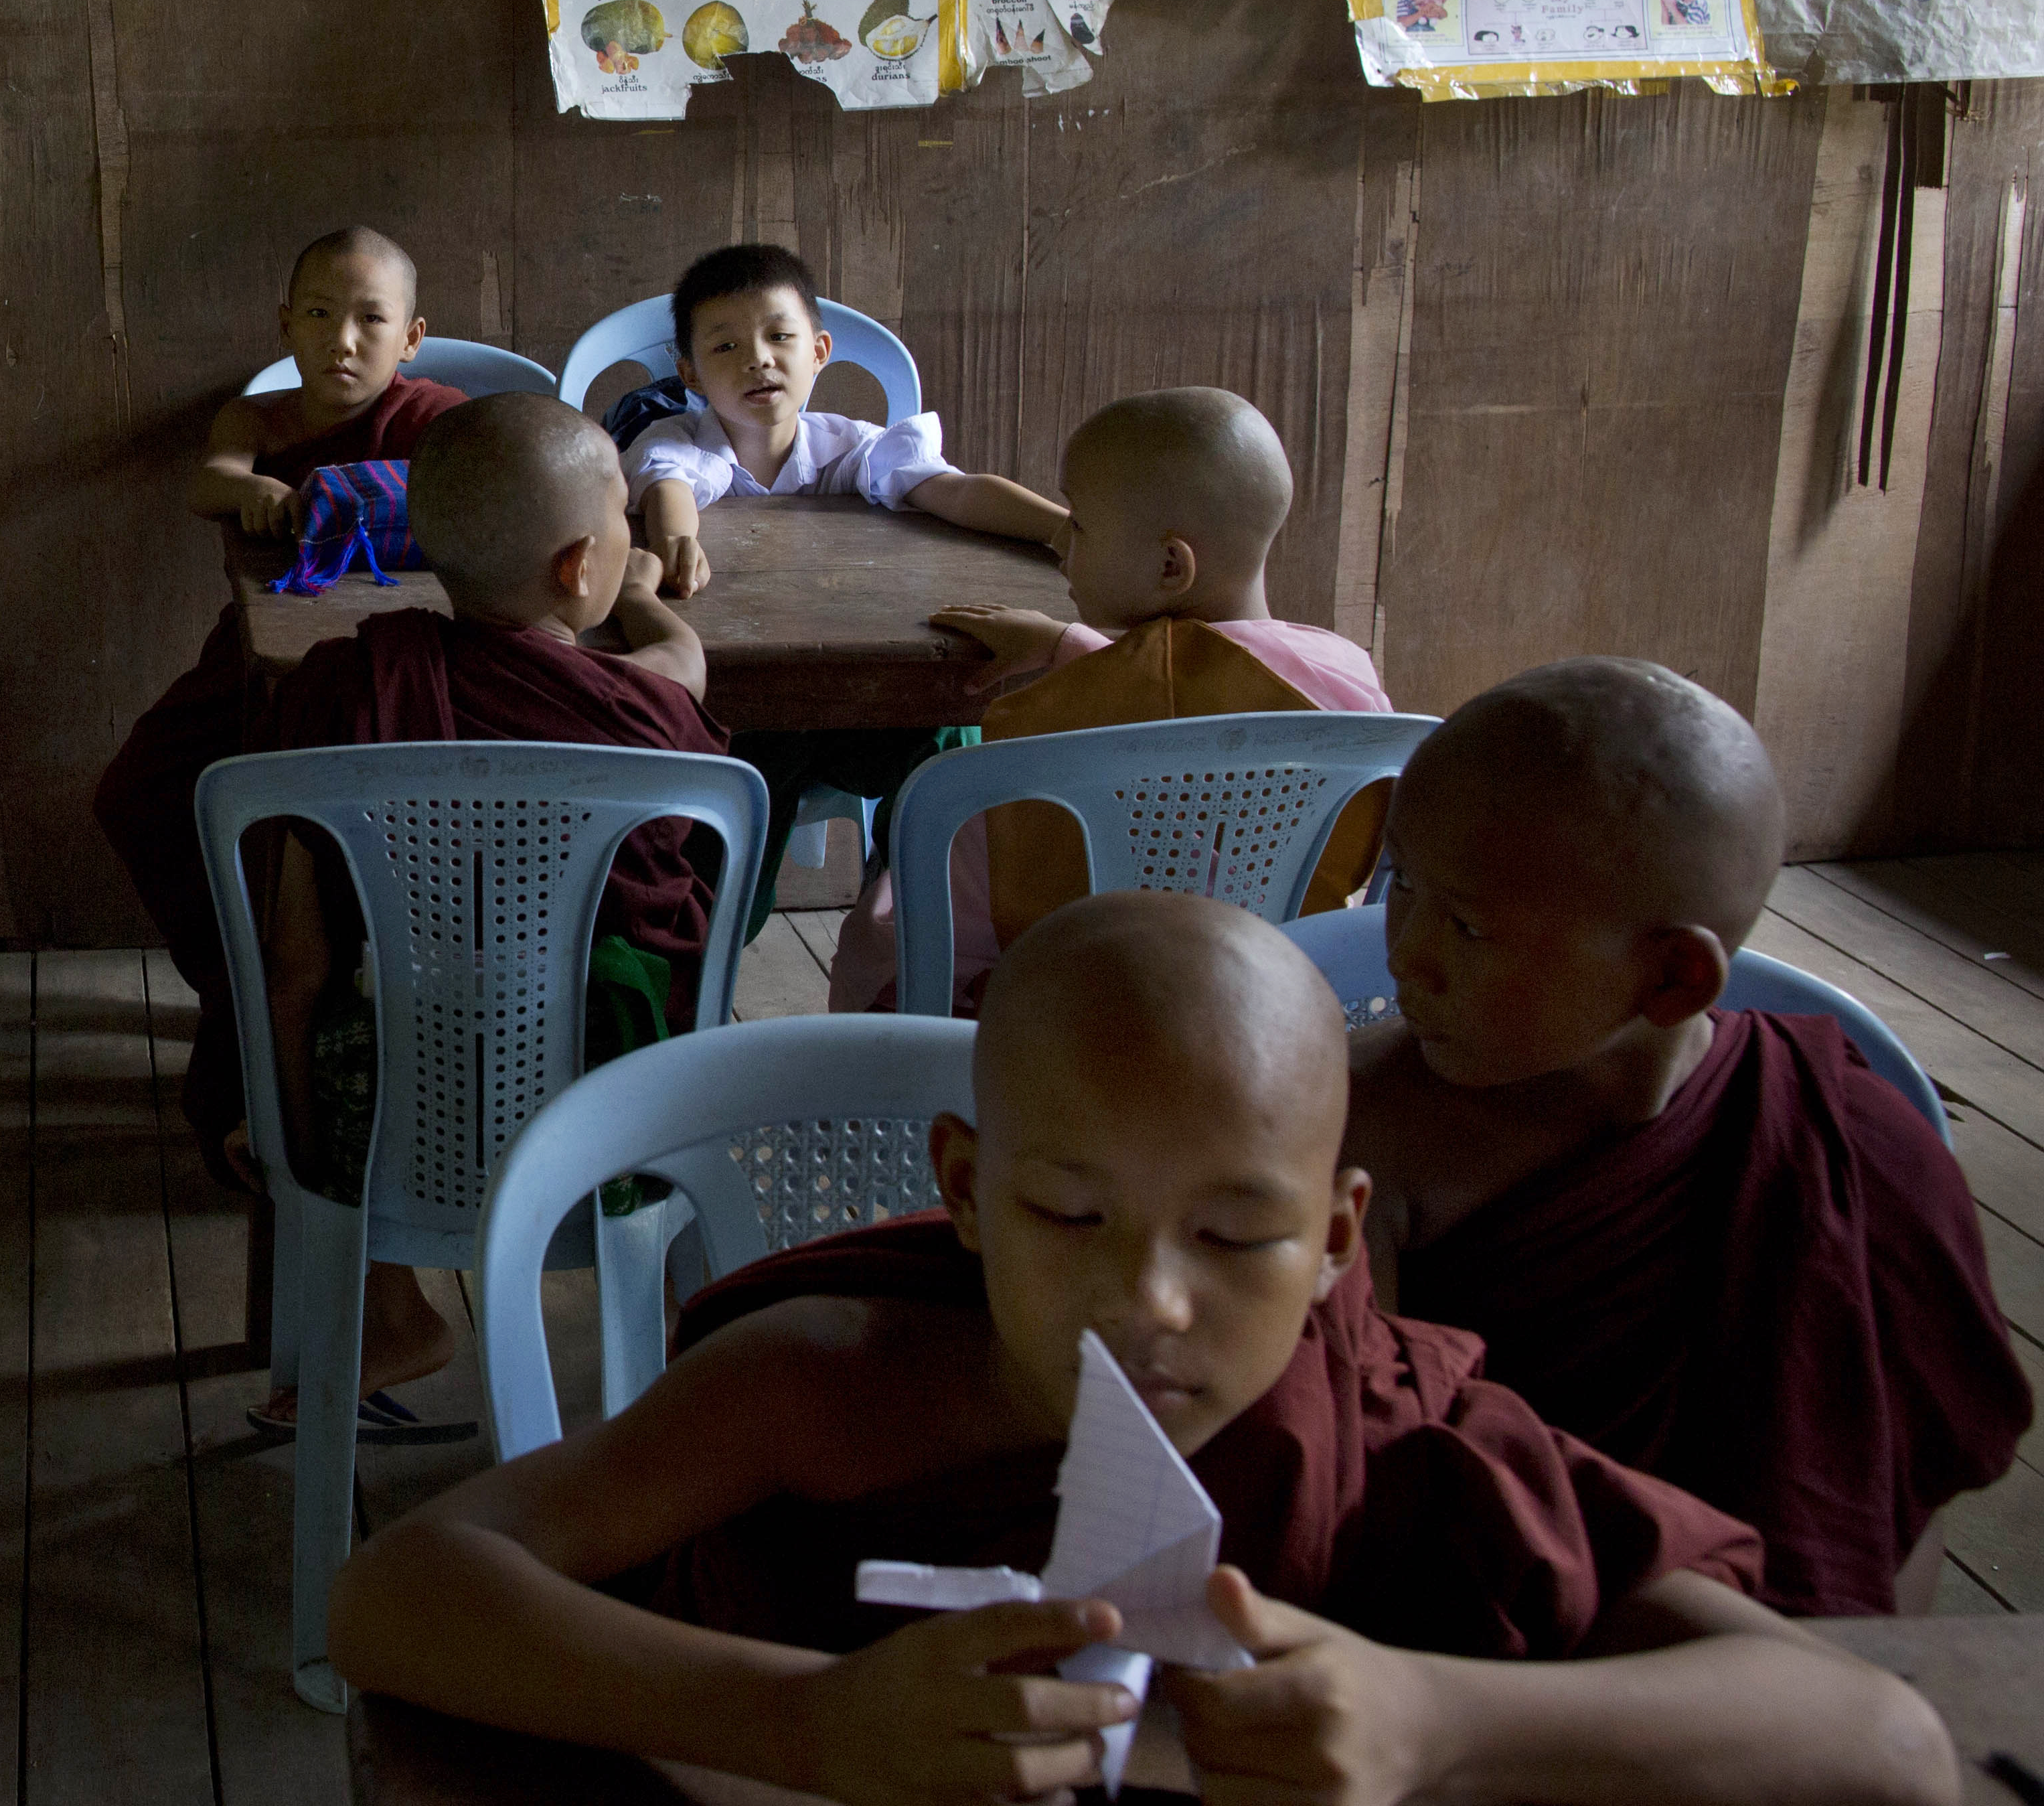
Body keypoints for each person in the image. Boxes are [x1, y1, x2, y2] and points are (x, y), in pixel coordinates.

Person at [327, 892, 1958, 1806]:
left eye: (1238, 1235)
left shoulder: (1406, 1433)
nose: (1151, 1300)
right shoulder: (828, 1388)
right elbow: (397, 1592)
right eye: (1068, 1213)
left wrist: (1437, 1721)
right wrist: (804, 1724)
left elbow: (1879, 1741)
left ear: (1336, 1238)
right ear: (965, 1190)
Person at [1348, 660, 2030, 1616]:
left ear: (1670, 980)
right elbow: (1356, 1472)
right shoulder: (1366, 1126)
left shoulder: (1845, 1137)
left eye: (1463, 926)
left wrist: (1845, 1679)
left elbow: (1885, 1506)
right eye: (1402, 884)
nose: (1402, 951)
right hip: (1487, 1656)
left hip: (1772, 1685)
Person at [248, 391, 720, 1430]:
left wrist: (293, 1146)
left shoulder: (341, 687)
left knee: (362, 1024)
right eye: (618, 531)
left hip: (384, 1113)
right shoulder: (634, 709)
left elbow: (294, 967)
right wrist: (644, 599)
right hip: (605, 1109)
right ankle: (692, 1300)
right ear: (575, 565)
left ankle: (387, 1310)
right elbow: (680, 674)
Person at [91, 227, 466, 1164]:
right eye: (318, 314)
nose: (342, 340)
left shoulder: (439, 418)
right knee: (137, 790)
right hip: (260, 661)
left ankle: (272, 1033)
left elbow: (487, 493)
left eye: (369, 320)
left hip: (398, 670)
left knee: (296, 848)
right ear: (283, 325)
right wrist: (250, 489)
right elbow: (206, 480)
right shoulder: (259, 420)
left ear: (410, 338)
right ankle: (233, 983)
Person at [830, 386, 1388, 1013]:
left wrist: (1070, 653)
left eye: (1079, 524)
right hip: (1265, 994)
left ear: (1171, 567)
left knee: (879, 927)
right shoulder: (1346, 681)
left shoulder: (1071, 717)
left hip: (1058, 1005)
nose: (1061, 544)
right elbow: (1195, 695)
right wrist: (1067, 643)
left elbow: (1164, 696)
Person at [617, 242, 1060, 873]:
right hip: (738, 710)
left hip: (862, 700)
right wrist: (675, 541)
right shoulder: (676, 441)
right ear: (689, 374)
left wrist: (1064, 529)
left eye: (778, 337)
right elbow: (670, 487)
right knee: (734, 827)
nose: (758, 360)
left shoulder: (852, 447)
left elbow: (953, 490)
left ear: (819, 352)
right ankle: (716, 933)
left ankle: (916, 902)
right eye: (725, 348)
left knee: (949, 736)